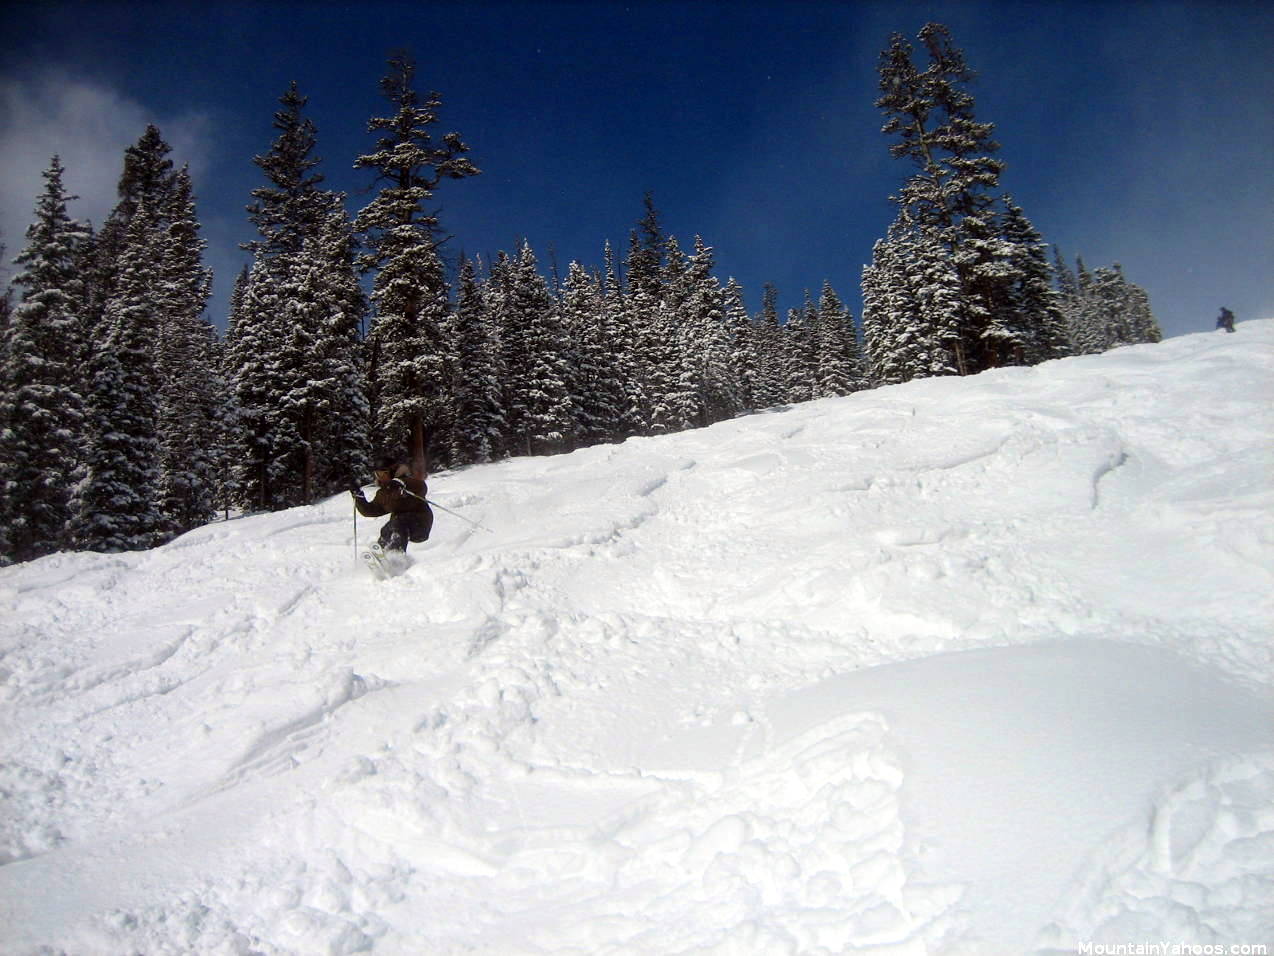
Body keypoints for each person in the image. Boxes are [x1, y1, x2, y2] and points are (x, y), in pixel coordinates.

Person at [351, 456, 434, 553]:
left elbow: (421, 487)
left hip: (420, 523)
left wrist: (400, 483)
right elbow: (370, 510)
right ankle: (382, 555)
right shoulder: (384, 493)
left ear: (392, 471)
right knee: (386, 529)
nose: (380, 477)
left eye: (383, 473)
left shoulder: (407, 482)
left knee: (398, 523)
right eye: (377, 474)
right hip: (400, 527)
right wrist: (358, 495)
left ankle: (396, 554)